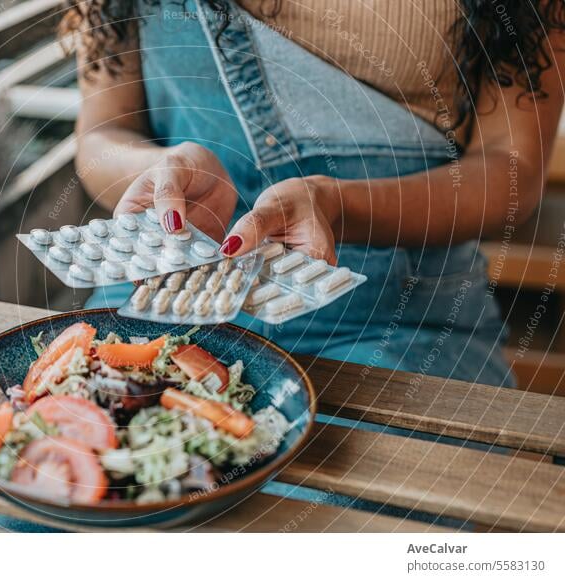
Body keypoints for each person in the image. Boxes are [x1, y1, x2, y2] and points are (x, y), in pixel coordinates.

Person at [68, 0, 565, 388]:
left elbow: (513, 169)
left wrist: (333, 204)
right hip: (168, 289)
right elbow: (100, 137)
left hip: (394, 319)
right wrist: (164, 172)